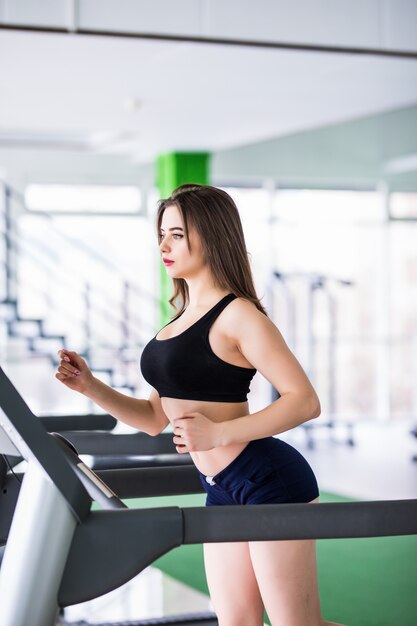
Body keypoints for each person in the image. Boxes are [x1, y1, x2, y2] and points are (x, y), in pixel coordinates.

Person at [56, 183, 344, 626]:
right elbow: (155, 418)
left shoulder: (239, 315)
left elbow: (304, 401)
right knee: (235, 622)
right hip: (221, 488)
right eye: (161, 235)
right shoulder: (177, 320)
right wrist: (91, 387)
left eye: (176, 234)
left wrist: (218, 433)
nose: (163, 245)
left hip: (269, 481)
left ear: (210, 235)